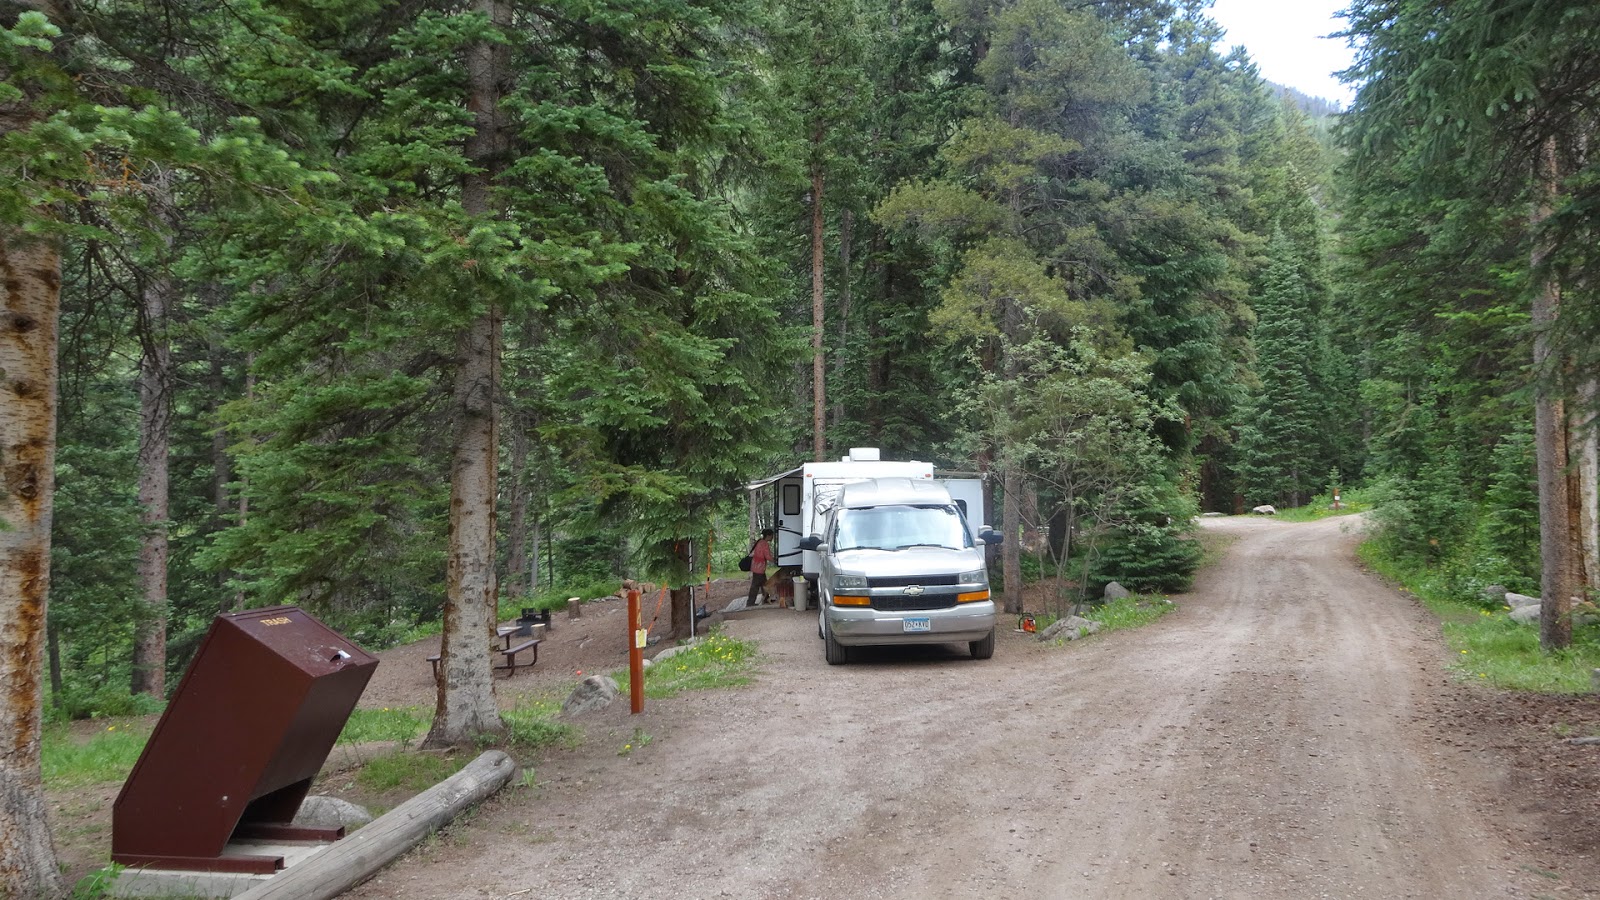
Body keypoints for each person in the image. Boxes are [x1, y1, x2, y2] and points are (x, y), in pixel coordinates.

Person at [746, 528, 775, 606]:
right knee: (755, 586)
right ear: (768, 535)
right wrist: (775, 560)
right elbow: (767, 556)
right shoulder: (764, 544)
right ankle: (750, 603)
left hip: (756, 566)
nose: (772, 537)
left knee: (764, 584)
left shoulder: (760, 541)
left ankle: (765, 599)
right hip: (759, 568)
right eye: (772, 535)